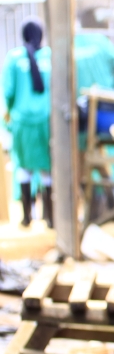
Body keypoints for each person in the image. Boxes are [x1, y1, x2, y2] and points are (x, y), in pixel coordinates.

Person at [2, 19, 53, 228]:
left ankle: (27, 217)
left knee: (23, 167)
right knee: (47, 168)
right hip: (47, 121)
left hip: (22, 122)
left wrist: (7, 118)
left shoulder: (14, 58)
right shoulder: (50, 56)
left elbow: (7, 93)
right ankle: (50, 218)